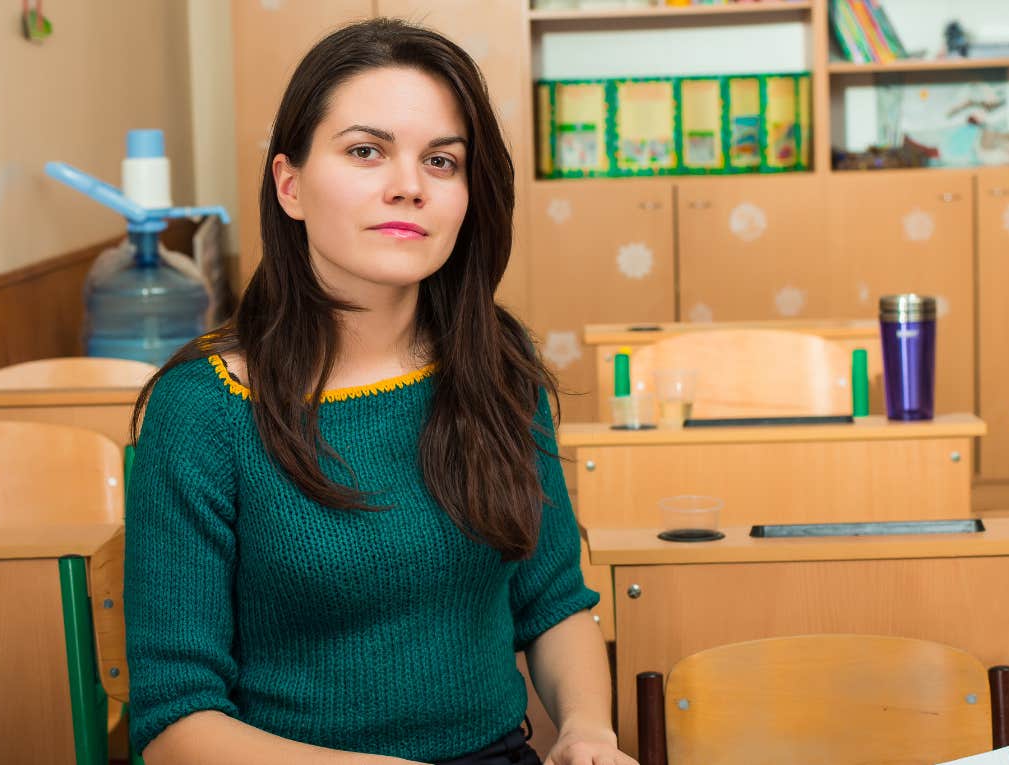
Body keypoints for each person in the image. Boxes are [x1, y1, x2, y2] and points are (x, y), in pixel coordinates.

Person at [125, 17, 637, 765]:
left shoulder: (495, 363)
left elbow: (553, 600)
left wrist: (587, 730)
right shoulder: (203, 407)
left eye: (441, 161)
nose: (408, 186)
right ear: (291, 185)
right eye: (366, 151)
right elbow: (175, 720)